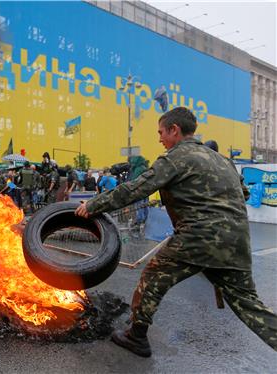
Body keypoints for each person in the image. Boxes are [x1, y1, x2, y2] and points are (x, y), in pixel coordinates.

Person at [75, 107, 277, 357]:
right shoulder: (223, 160)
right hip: (237, 242)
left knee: (152, 280)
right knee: (250, 306)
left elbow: (135, 189)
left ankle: (136, 336)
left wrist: (93, 205)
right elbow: (242, 193)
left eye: (161, 132)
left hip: (198, 238)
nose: (159, 138)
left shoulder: (176, 158)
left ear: (175, 130)